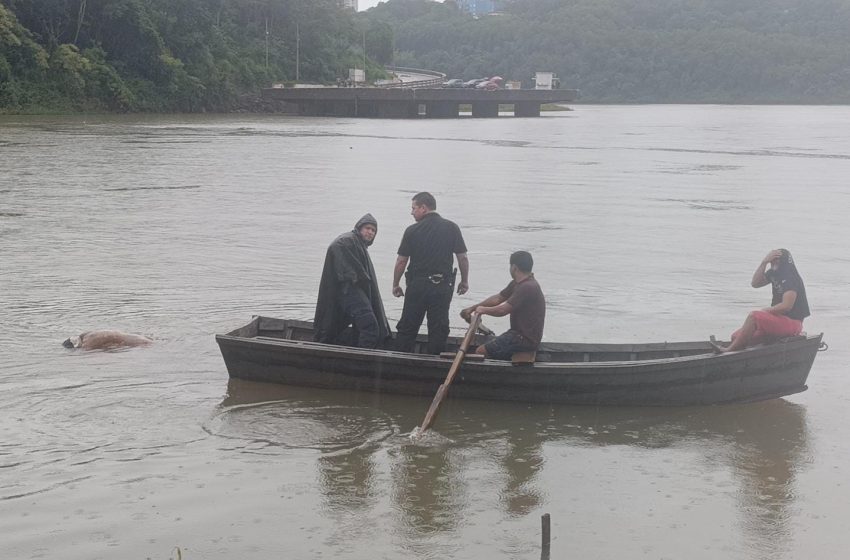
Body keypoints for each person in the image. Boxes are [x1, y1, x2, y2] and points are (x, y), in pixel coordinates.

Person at [392, 192, 469, 354]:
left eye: (413, 208)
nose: (412, 212)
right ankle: (435, 364)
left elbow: (401, 261)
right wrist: (464, 281)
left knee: (408, 326)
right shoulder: (452, 227)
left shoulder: (412, 231)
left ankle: (399, 360)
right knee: (438, 328)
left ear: (423, 208)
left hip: (417, 286)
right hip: (442, 286)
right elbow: (462, 258)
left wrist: (396, 284)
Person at [314, 214, 391, 349]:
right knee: (370, 328)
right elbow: (335, 247)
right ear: (359, 228)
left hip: (352, 291)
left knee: (363, 327)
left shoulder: (358, 244)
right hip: (349, 291)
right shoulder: (347, 241)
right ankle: (360, 362)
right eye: (368, 228)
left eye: (374, 230)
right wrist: (352, 277)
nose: (371, 232)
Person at [712, 248, 810, 353]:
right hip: (778, 320)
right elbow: (755, 283)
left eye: (775, 260)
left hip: (793, 323)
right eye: (772, 260)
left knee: (754, 316)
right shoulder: (774, 273)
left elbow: (786, 306)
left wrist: (766, 311)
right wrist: (764, 263)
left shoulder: (790, 277)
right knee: (736, 337)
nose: (773, 262)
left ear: (783, 261)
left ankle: (729, 350)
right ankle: (752, 346)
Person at [460, 251, 545, 360]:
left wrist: (483, 310)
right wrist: (473, 308)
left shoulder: (528, 287)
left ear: (514, 267)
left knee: (480, 352)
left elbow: (503, 310)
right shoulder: (516, 283)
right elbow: (498, 298)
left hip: (524, 339)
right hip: (517, 335)